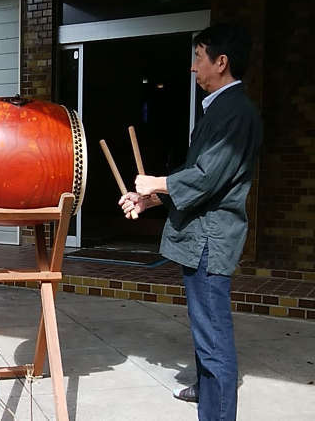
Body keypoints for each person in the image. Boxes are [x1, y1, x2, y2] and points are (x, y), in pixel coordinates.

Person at [119, 23, 262, 421]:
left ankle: (217, 414)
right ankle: (206, 394)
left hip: (210, 241)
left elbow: (206, 176)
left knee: (214, 337)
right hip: (202, 236)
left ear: (221, 62)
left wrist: (156, 182)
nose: (193, 68)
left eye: (198, 58)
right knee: (205, 331)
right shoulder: (220, 107)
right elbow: (197, 176)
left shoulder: (235, 112)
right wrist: (150, 199)